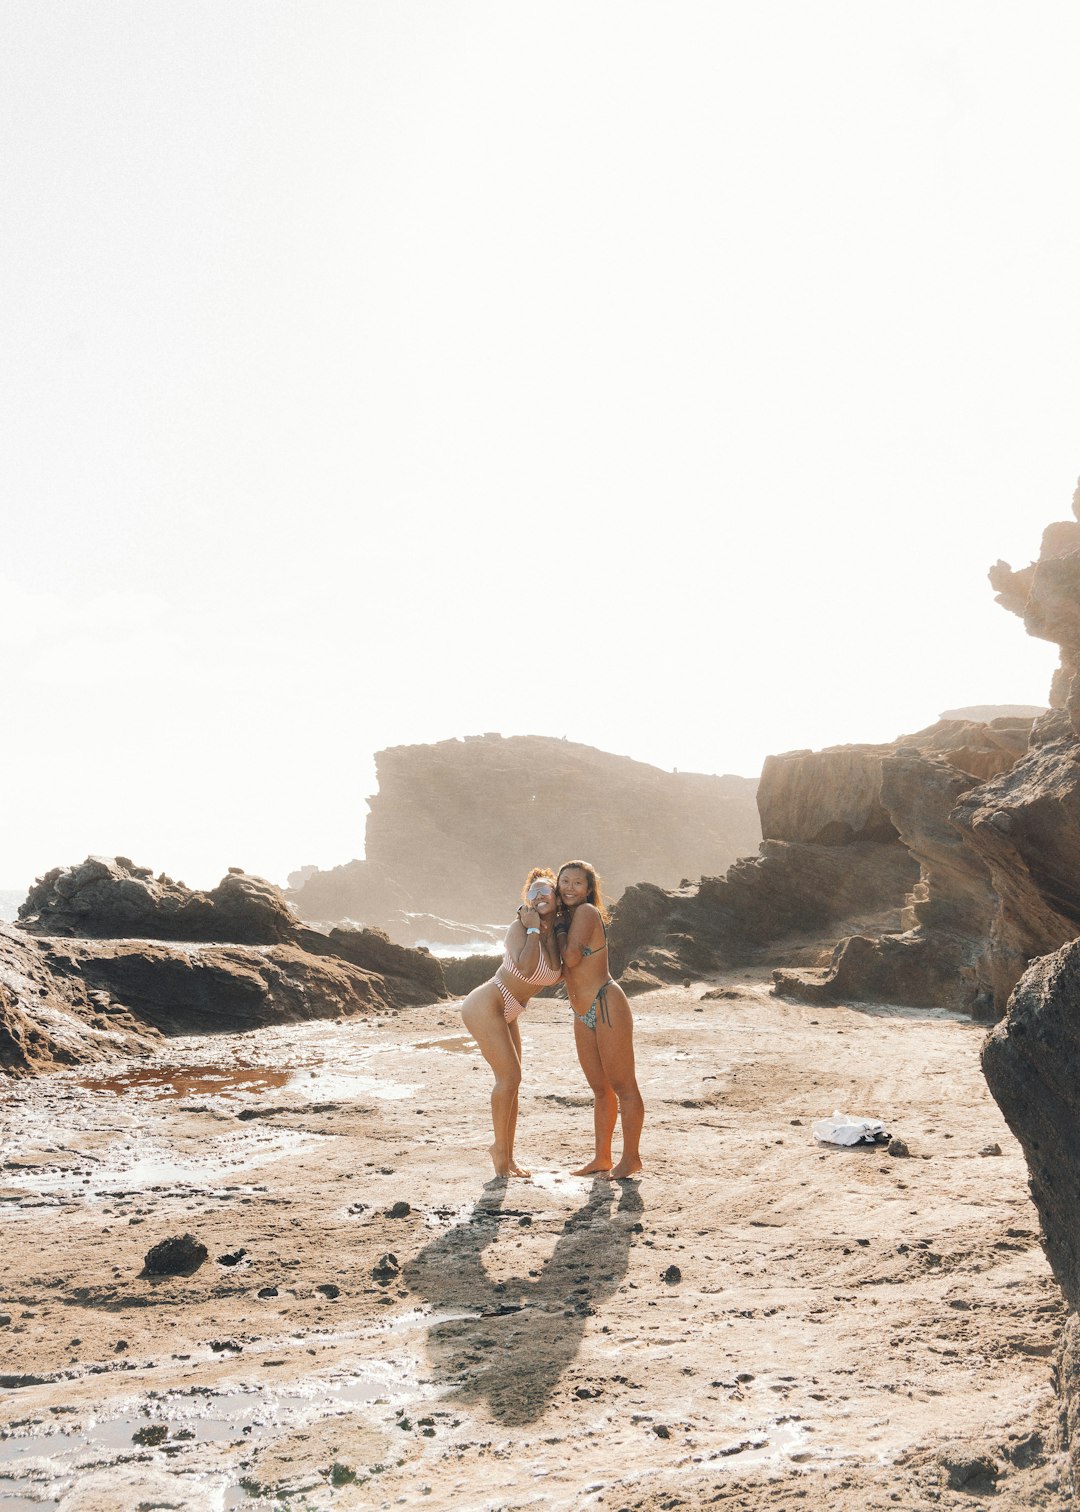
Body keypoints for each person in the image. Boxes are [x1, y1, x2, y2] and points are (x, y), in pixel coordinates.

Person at [460, 868, 562, 1178]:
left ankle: (508, 1155)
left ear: (557, 898)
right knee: (510, 1078)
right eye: (533, 893)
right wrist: (532, 929)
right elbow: (528, 967)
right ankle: (499, 1153)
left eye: (546, 892)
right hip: (487, 1002)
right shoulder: (519, 928)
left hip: (512, 1008)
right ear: (526, 900)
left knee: (514, 1083)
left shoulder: (556, 933)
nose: (539, 897)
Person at [555, 859, 643, 1179]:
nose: (570, 887)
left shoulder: (586, 913)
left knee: (623, 1086)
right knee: (600, 1089)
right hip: (582, 1012)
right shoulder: (565, 917)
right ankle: (601, 1158)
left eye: (578, 883)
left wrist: (555, 928)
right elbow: (555, 973)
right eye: (565, 881)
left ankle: (630, 1158)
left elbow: (572, 957)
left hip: (607, 1003)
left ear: (589, 889)